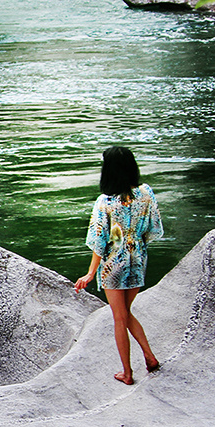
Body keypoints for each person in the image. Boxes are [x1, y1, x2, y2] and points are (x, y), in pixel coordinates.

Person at [73, 146, 163, 385]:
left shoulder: (106, 202)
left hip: (114, 263)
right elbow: (154, 229)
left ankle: (127, 373)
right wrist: (135, 242)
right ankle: (150, 357)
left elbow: (100, 240)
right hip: (138, 258)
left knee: (119, 319)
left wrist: (91, 272)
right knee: (125, 313)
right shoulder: (146, 193)